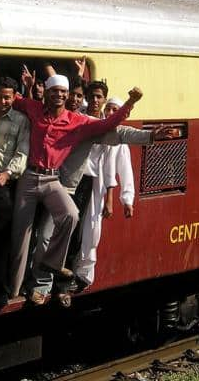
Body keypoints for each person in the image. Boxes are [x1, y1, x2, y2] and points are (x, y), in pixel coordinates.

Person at [4, 71, 144, 304]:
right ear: (47, 94)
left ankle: (53, 264)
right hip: (29, 177)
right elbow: (11, 99)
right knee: (22, 237)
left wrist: (130, 102)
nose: (59, 95)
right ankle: (14, 290)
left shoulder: (77, 121)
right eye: (55, 92)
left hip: (53, 180)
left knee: (71, 215)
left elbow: (110, 124)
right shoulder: (34, 108)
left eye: (63, 92)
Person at [73, 97, 134, 291]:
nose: (110, 113)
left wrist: (126, 199)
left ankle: (84, 274)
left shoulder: (119, 141)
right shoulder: (94, 124)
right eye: (109, 109)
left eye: (115, 110)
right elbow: (83, 101)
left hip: (99, 189)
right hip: (83, 181)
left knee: (91, 229)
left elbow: (125, 172)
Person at [0, 77, 30, 306]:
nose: (3, 101)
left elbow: (22, 152)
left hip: (2, 182)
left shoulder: (20, 121)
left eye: (7, 97)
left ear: (14, 97)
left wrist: (8, 174)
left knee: (0, 239)